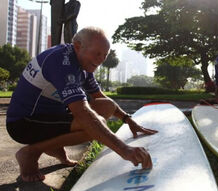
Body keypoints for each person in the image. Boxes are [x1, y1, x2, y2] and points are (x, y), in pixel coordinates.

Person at [6, 27, 158, 182]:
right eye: (97, 53)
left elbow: (101, 99)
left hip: (49, 117)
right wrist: (124, 149)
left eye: (104, 55)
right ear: (78, 46)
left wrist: (127, 119)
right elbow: (82, 112)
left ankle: (53, 146)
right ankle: (32, 152)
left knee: (106, 107)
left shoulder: (83, 64)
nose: (100, 59)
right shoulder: (61, 62)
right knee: (95, 125)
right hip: (23, 123)